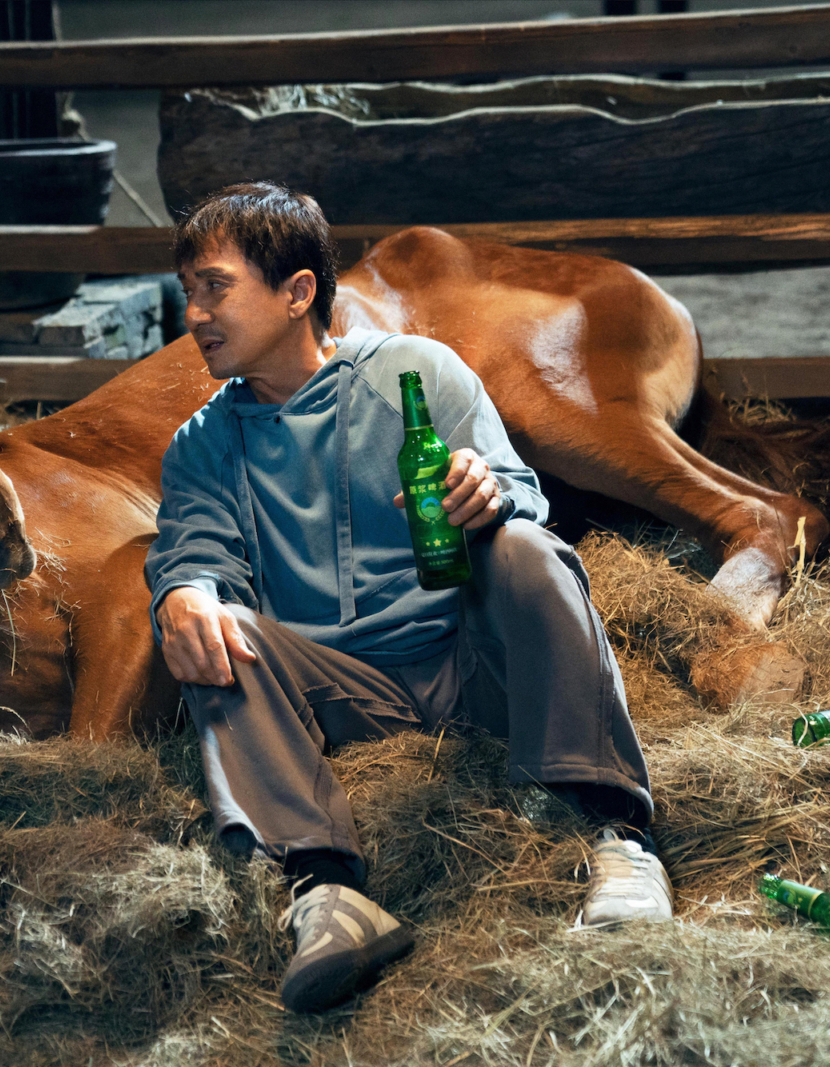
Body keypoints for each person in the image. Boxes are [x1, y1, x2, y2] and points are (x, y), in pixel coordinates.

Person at [144, 182, 672, 1015]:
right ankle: (326, 887)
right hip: (339, 696)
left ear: (297, 292)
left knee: (529, 549)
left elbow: (521, 491)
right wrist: (183, 593)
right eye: (188, 292)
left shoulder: (415, 372)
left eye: (215, 287)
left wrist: (488, 492)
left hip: (473, 666)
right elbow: (195, 553)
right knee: (215, 628)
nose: (195, 314)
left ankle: (619, 835)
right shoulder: (201, 446)